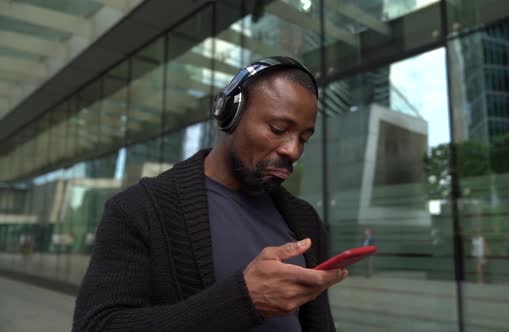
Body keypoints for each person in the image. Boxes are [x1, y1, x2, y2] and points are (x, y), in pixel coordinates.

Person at [73, 56, 346, 331]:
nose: (293, 150)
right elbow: (97, 326)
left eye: (304, 138)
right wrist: (243, 300)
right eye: (278, 129)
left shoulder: (305, 220)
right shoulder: (139, 210)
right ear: (230, 114)